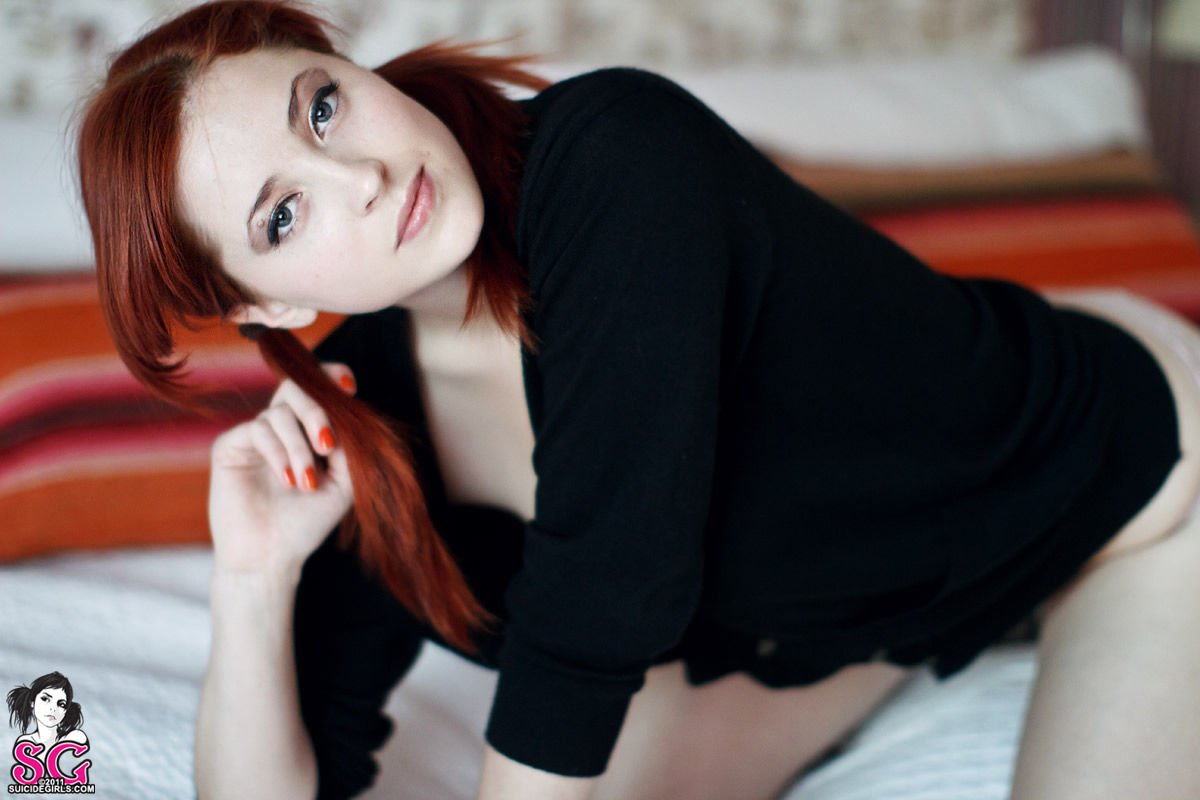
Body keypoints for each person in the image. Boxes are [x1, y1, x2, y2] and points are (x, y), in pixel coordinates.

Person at [74, 1, 1200, 798]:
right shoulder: (374, 418)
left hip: (1116, 480)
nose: (360, 178)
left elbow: (605, 593)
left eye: (322, 109)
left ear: (355, 72)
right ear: (262, 306)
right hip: (888, 591)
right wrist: (253, 577)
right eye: (282, 216)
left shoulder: (616, 158)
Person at [6, 672, 89, 754]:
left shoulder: (75, 738)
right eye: (45, 699)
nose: (53, 708)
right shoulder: (25, 742)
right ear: (32, 702)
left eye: (61, 704)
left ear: (65, 711)